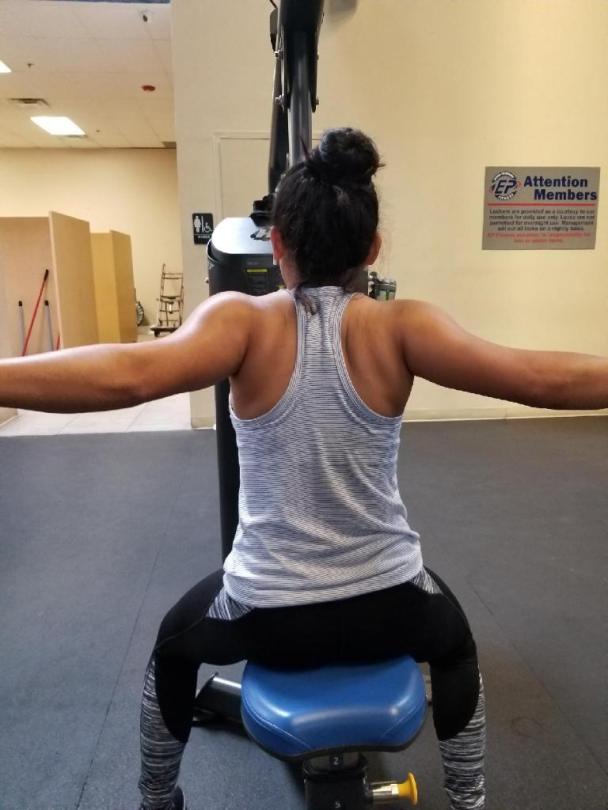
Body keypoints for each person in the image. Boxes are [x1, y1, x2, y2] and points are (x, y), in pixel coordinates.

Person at [1, 129, 607, 810]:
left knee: (173, 648)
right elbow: (539, 377)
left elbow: (127, 375)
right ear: (372, 249)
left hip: (268, 615)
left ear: (278, 243)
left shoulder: (241, 322)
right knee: (457, 646)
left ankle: (158, 800)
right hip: (391, 606)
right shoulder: (401, 326)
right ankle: (468, 802)